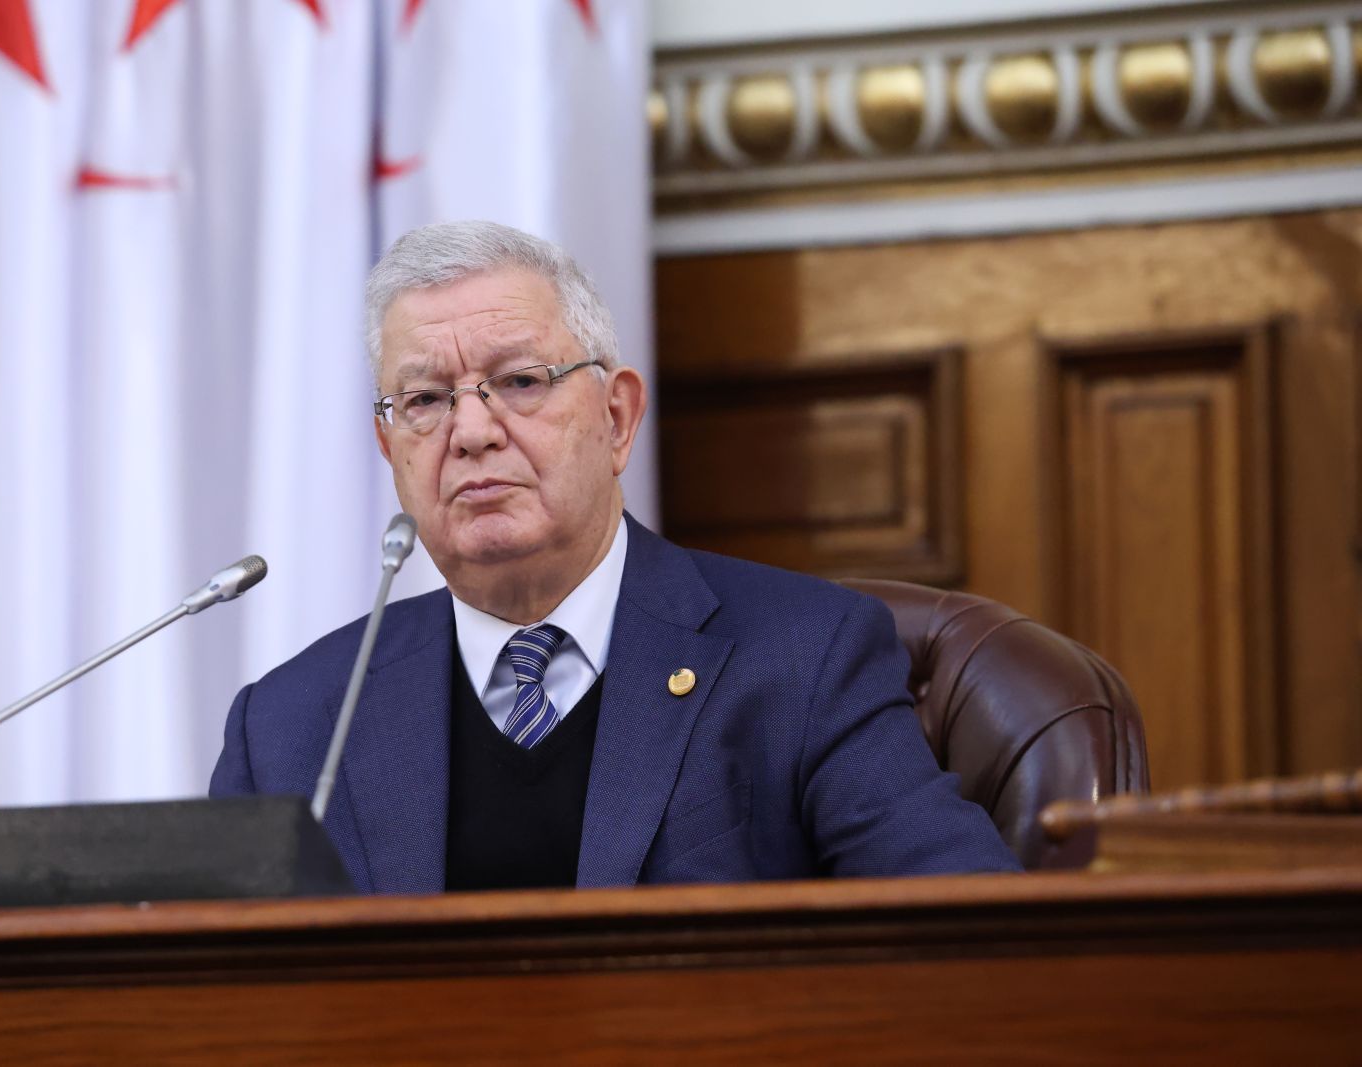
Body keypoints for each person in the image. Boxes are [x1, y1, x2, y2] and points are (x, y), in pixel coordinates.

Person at [209, 221, 1020, 892]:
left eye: (520, 381)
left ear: (618, 417)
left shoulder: (806, 659)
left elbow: (966, 934)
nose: (472, 431)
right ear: (390, 447)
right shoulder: (292, 725)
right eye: (424, 400)